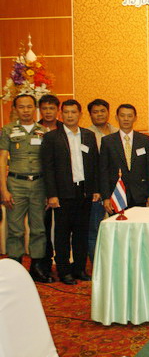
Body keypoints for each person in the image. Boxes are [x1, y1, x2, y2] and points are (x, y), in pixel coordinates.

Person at [41, 99, 100, 285]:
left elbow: (94, 164)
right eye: (66, 112)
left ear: (80, 114)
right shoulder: (52, 137)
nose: (70, 115)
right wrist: (52, 194)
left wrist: (95, 189)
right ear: (61, 114)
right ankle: (64, 271)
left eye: (73, 112)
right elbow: (48, 168)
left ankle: (79, 269)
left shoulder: (88, 135)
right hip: (62, 193)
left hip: (84, 191)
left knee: (81, 233)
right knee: (62, 234)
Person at [0, 94, 51, 282]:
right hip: (16, 184)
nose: (26, 110)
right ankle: (15, 267)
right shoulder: (7, 130)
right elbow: (2, 160)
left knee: (38, 228)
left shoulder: (43, 131)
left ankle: (36, 268)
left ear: (34, 108)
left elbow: (48, 162)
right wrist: (3, 190)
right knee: (15, 229)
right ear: (15, 109)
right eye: (21, 107)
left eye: (29, 106)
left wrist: (49, 192)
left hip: (39, 184)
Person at [100, 104, 149, 213]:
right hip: (116, 195)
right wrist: (106, 197)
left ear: (135, 118)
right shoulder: (107, 141)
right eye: (122, 115)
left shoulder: (144, 140)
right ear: (116, 118)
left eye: (129, 116)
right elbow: (103, 171)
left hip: (140, 195)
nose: (126, 119)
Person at [87, 98, 118, 263]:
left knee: (117, 228)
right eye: (95, 112)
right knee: (95, 229)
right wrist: (95, 189)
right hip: (97, 191)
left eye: (102, 111)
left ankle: (115, 263)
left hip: (118, 190)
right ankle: (96, 265)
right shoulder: (86, 135)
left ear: (108, 112)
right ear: (90, 115)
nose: (99, 114)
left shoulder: (118, 132)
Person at [37, 94, 63, 278]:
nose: (48, 112)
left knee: (62, 228)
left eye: (51, 108)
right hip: (40, 186)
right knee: (43, 227)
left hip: (63, 186)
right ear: (40, 110)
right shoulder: (34, 129)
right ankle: (44, 264)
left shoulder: (65, 129)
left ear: (57, 110)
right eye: (44, 108)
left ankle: (63, 264)